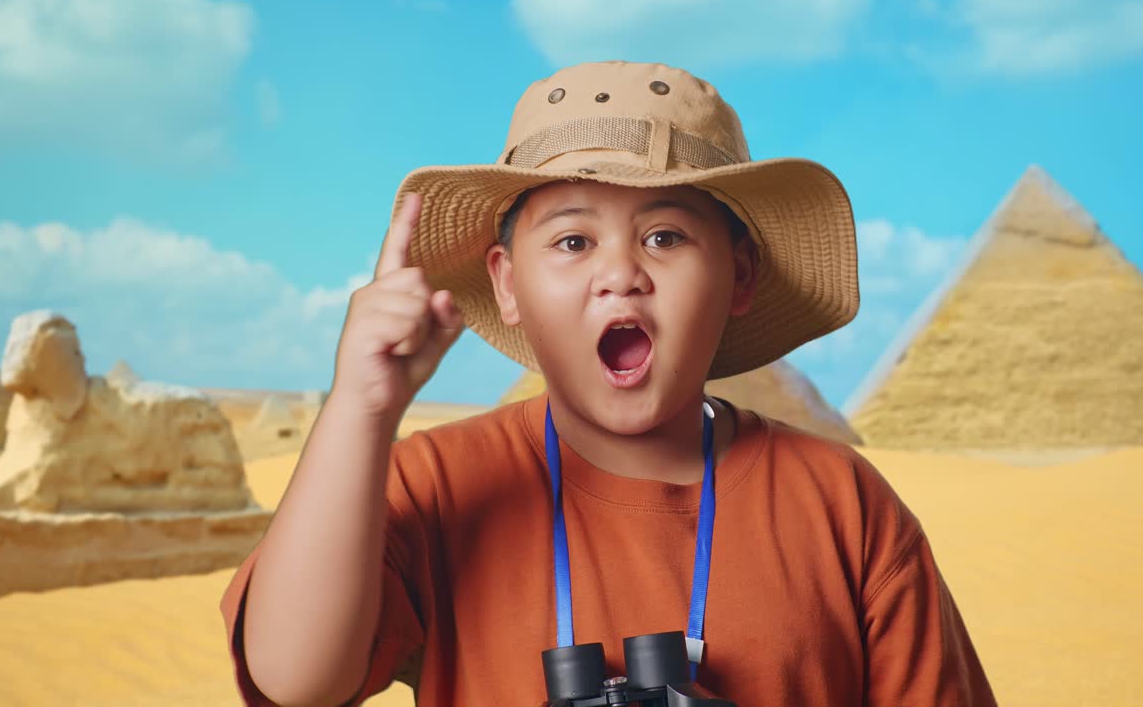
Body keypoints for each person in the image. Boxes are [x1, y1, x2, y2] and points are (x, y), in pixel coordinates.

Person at [219, 60, 997, 706]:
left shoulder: (842, 506)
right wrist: (361, 407)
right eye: (572, 240)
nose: (620, 275)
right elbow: (294, 679)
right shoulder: (435, 486)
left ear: (739, 277)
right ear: (508, 284)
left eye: (665, 236)